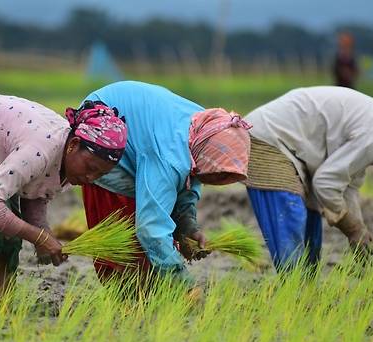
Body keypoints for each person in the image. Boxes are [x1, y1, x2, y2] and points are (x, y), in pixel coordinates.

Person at [0, 93, 127, 306]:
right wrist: (38, 237)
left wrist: (42, 231)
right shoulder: (39, 150)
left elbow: (35, 192)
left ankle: (0, 307)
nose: (90, 178)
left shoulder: (69, 162)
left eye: (100, 175)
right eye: (90, 168)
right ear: (74, 144)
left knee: (10, 231)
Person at [243, 86, 373, 271]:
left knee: (311, 224)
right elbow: (325, 183)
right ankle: (293, 294)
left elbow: (348, 185)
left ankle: (303, 293)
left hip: (289, 147)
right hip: (268, 139)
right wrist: (352, 229)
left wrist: (359, 231)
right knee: (293, 215)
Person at [80, 81, 251, 286]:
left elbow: (189, 176)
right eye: (219, 175)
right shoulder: (169, 156)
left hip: (142, 135)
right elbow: (150, 228)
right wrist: (183, 284)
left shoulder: (206, 129)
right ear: (207, 155)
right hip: (101, 135)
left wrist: (187, 225)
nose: (218, 181)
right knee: (130, 253)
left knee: (154, 247)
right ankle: (132, 306)